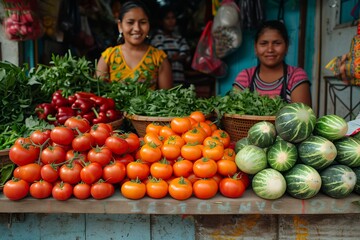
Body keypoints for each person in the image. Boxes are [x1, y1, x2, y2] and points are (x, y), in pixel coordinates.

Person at [96, 0, 173, 89]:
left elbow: (167, 98)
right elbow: (98, 95)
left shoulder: (159, 58)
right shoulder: (108, 57)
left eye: (143, 22)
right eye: (130, 22)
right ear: (120, 26)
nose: (137, 28)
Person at [233, 20, 312, 107]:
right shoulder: (245, 77)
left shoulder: (295, 76)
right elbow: (235, 113)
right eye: (263, 44)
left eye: (277, 43)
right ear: (255, 47)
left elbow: (302, 118)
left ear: (286, 46)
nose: (270, 49)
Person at [150, 5, 190, 84]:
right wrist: (177, 57)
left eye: (173, 18)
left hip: (180, 81)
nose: (171, 21)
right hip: (163, 83)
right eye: (167, 18)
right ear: (161, 21)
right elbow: (162, 58)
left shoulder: (179, 38)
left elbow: (186, 55)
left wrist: (171, 58)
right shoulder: (157, 38)